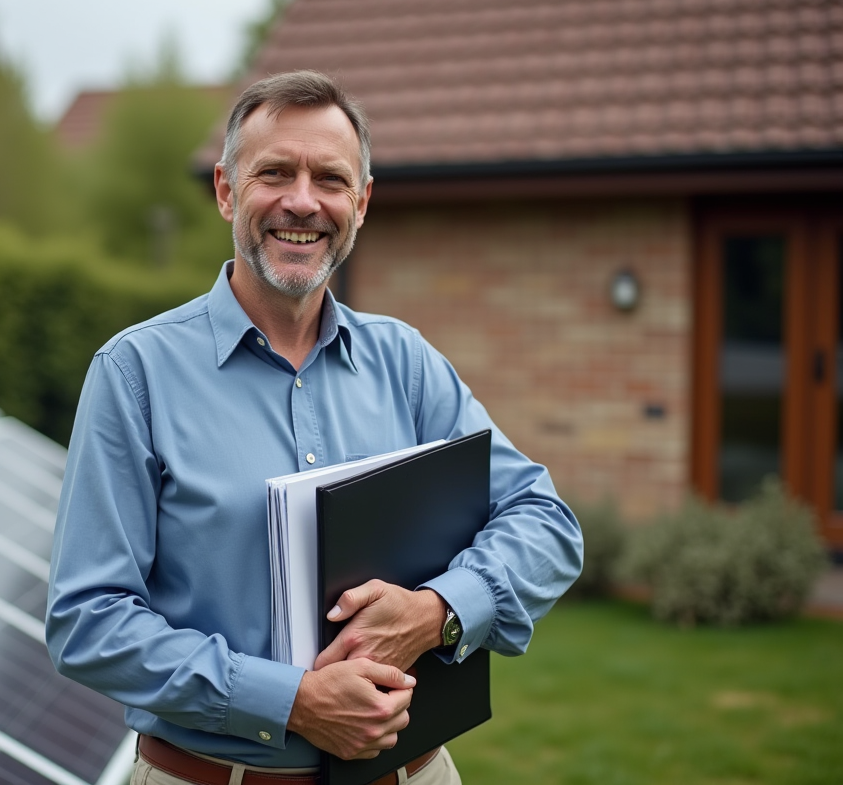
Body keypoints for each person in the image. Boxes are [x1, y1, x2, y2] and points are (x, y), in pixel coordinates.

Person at [45, 70, 582, 785]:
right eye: (275, 173)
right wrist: (290, 702)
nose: (302, 201)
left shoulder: (406, 364)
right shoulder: (135, 374)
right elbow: (88, 619)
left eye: (330, 179)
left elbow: (545, 521)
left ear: (360, 204)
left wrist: (437, 612)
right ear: (226, 191)